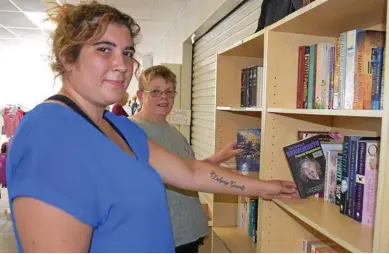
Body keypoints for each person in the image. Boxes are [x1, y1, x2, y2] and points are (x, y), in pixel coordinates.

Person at [5, 1, 298, 253]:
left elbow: (191, 172)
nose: (122, 64)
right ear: (67, 58)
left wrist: (267, 187)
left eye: (128, 52)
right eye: (104, 49)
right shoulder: (50, 134)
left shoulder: (119, 128)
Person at [129, 65, 241, 253]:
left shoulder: (173, 132)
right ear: (140, 96)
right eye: (155, 92)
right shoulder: (131, 131)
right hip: (158, 239)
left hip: (188, 234)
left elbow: (190, 171)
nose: (164, 97)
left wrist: (222, 155)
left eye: (169, 92)